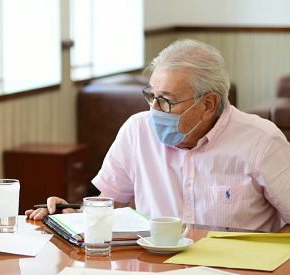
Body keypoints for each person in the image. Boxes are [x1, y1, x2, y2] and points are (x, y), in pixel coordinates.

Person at [26, 39, 290, 233]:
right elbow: (111, 207)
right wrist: (73, 214)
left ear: (208, 104)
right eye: (151, 95)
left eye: (165, 101)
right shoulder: (136, 131)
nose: (153, 110)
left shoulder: (262, 141)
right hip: (154, 272)